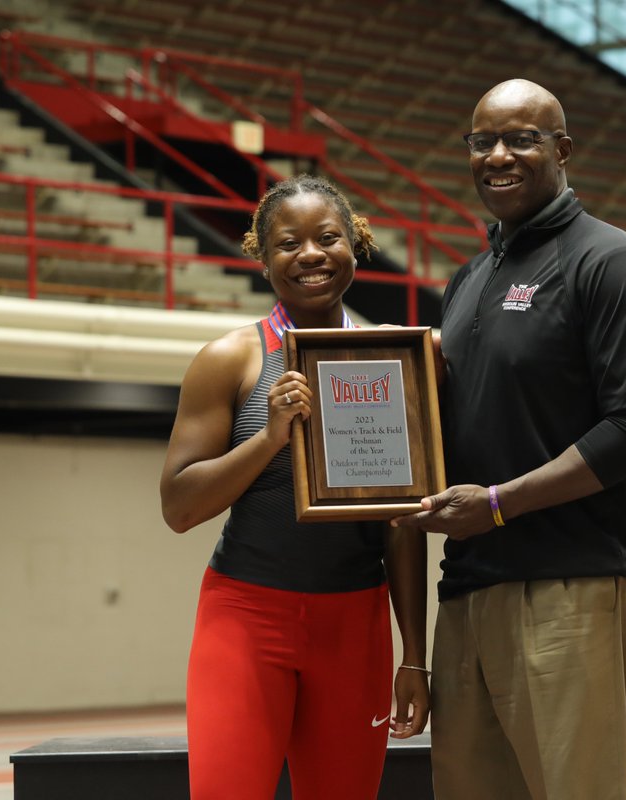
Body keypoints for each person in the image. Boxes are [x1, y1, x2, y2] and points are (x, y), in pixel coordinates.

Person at [393, 79, 626, 800]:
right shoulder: (468, 280)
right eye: (482, 140)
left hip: (571, 586)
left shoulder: (607, 261)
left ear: (563, 150)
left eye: (521, 138)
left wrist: (497, 504)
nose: (498, 155)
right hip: (466, 592)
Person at [160, 174, 429, 800]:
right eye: (288, 244)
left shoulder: (391, 362)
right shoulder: (231, 360)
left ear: (355, 245)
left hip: (354, 625)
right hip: (247, 618)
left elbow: (402, 522)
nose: (310, 255)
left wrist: (413, 653)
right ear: (262, 256)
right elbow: (178, 507)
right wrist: (269, 438)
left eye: (328, 238)